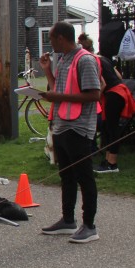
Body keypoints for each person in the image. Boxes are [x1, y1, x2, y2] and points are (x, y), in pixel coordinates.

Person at [39, 22, 102, 243]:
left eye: (51, 39)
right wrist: (47, 70)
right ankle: (68, 220)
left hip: (79, 126)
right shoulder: (64, 59)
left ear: (61, 38)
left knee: (84, 177)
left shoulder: (85, 60)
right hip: (61, 124)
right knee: (66, 176)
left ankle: (90, 226)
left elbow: (94, 94)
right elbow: (58, 89)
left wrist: (58, 97)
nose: (50, 43)